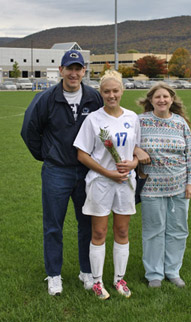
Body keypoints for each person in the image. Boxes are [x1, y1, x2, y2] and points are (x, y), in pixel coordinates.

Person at [21, 50, 104, 296]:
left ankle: (86, 271)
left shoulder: (93, 97)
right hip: (56, 171)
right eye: (70, 68)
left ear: (84, 72)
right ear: (61, 70)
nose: (74, 73)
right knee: (53, 226)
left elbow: (103, 129)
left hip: (86, 172)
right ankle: (54, 275)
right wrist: (47, 155)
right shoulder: (45, 98)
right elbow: (29, 132)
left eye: (78, 69)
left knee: (87, 224)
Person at [74, 70, 142, 300]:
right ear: (100, 93)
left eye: (115, 91)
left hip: (124, 183)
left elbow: (136, 150)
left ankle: (119, 280)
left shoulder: (132, 117)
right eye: (106, 91)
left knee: (122, 230)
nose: (111, 95)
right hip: (101, 182)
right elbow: (82, 155)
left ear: (122, 90)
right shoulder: (93, 119)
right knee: (99, 231)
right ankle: (97, 281)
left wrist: (132, 163)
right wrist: (107, 173)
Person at [138, 82, 191, 288]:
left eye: (165, 96)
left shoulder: (180, 123)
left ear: (172, 99)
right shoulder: (141, 121)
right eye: (157, 97)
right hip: (151, 187)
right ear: (151, 100)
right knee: (153, 230)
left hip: (180, 186)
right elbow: (128, 144)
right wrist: (138, 151)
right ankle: (154, 273)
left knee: (178, 229)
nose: (162, 100)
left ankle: (172, 270)